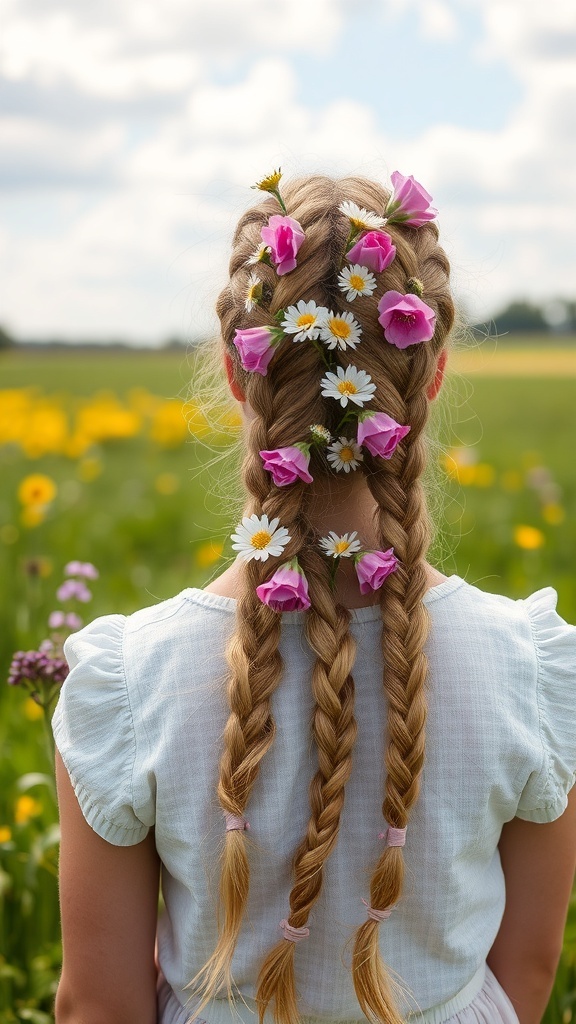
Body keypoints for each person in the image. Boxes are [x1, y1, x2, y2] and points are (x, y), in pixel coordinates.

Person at [51, 170, 576, 1024]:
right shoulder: (534, 670)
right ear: (430, 376)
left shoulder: (126, 685)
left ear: (236, 374)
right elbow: (529, 961)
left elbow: (96, 1005)